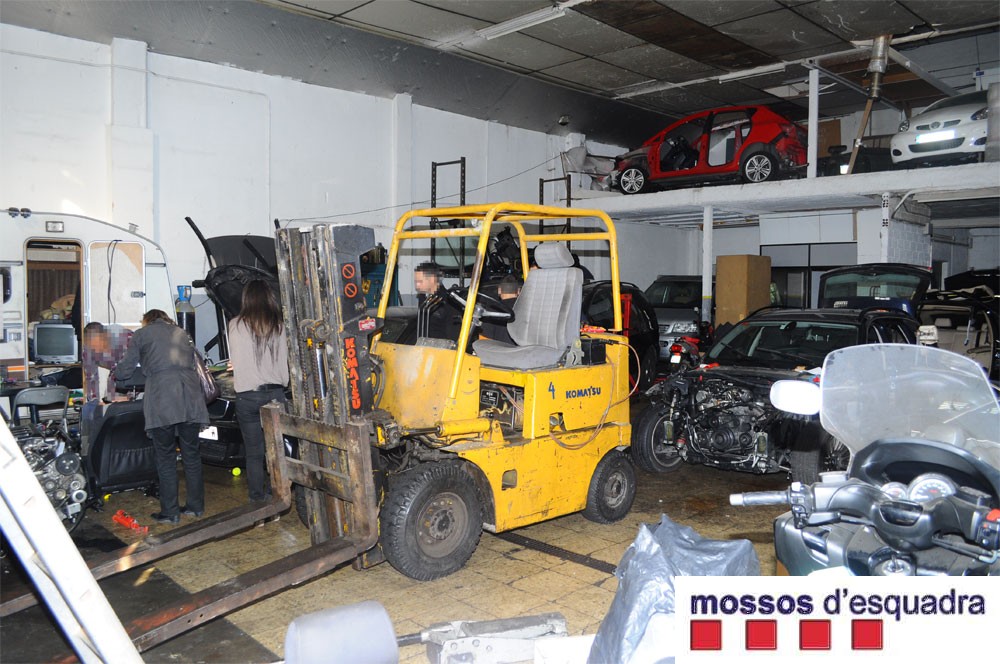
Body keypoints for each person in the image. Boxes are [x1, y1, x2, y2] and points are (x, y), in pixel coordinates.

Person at [114, 309, 209, 524]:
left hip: (163, 397)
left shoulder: (142, 334)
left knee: (165, 456)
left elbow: (126, 369)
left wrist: (116, 373)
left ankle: (170, 512)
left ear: (147, 321)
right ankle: (196, 507)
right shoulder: (182, 333)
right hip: (191, 396)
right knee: (191, 454)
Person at [227, 280, 289, 503]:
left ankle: (257, 498)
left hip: (248, 396)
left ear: (246, 299)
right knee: (277, 450)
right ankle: (278, 493)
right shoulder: (279, 326)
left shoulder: (235, 324)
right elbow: (284, 363)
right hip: (275, 396)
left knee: (254, 452)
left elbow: (237, 359)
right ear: (270, 298)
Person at [414, 262, 462, 343]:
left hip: (439, 347)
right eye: (416, 282)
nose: (417, 285)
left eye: (420, 281)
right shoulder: (423, 297)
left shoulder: (450, 303)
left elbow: (453, 337)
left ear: (432, 279)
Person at [479, 275, 520, 344]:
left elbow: (483, 341)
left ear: (499, 290)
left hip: (499, 350)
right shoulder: (526, 309)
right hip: (524, 350)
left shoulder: (492, 310)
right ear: (518, 291)